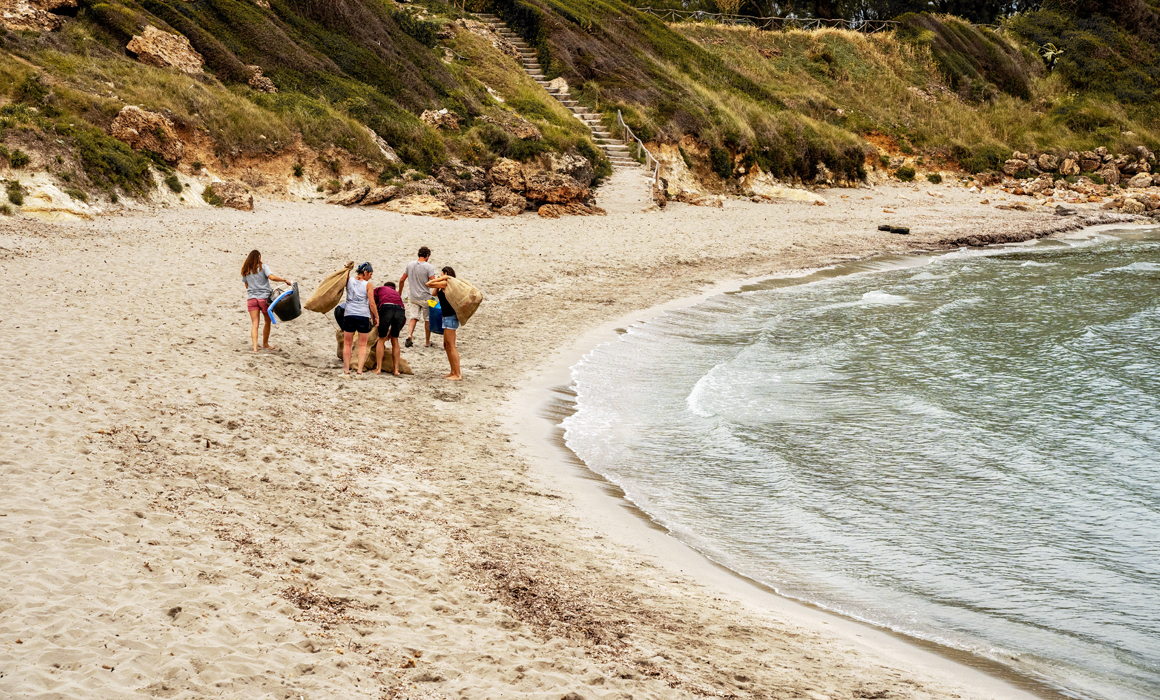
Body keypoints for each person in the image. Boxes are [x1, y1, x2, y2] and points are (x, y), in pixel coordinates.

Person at [241, 250, 292, 352]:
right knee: (267, 321)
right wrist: (284, 280)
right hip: (264, 299)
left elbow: (247, 286)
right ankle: (265, 344)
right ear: (259, 257)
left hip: (251, 299)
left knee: (255, 323)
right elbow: (271, 277)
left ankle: (255, 348)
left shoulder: (245, 270)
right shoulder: (263, 267)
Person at [339, 262, 378, 375]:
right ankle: (359, 371)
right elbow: (371, 303)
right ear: (365, 272)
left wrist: (347, 269)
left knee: (347, 344)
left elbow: (343, 275)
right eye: (370, 274)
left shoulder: (349, 280)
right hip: (363, 316)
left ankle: (346, 371)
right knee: (362, 345)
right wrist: (376, 316)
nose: (370, 277)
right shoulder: (368, 285)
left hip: (349, 314)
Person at [398, 246, 438, 349]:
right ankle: (427, 342)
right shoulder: (429, 267)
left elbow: (402, 280)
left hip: (413, 296)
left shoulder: (410, 265)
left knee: (413, 317)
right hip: (425, 297)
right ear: (427, 256)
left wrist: (399, 292)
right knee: (427, 319)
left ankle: (409, 335)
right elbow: (433, 282)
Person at [426, 266, 461, 381]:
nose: (440, 276)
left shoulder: (446, 283)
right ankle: (453, 371)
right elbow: (434, 293)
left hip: (451, 317)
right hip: (446, 317)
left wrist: (440, 279)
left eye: (442, 274)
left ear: (446, 274)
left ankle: (458, 374)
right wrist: (439, 282)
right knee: (446, 345)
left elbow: (428, 284)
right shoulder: (443, 285)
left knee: (451, 346)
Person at [373, 281, 406, 376]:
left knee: (381, 339)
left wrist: (374, 318)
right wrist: (394, 331)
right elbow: (404, 319)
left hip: (386, 307)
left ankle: (378, 368)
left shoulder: (380, 289)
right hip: (400, 310)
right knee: (395, 339)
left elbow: (372, 303)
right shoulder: (397, 294)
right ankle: (396, 370)